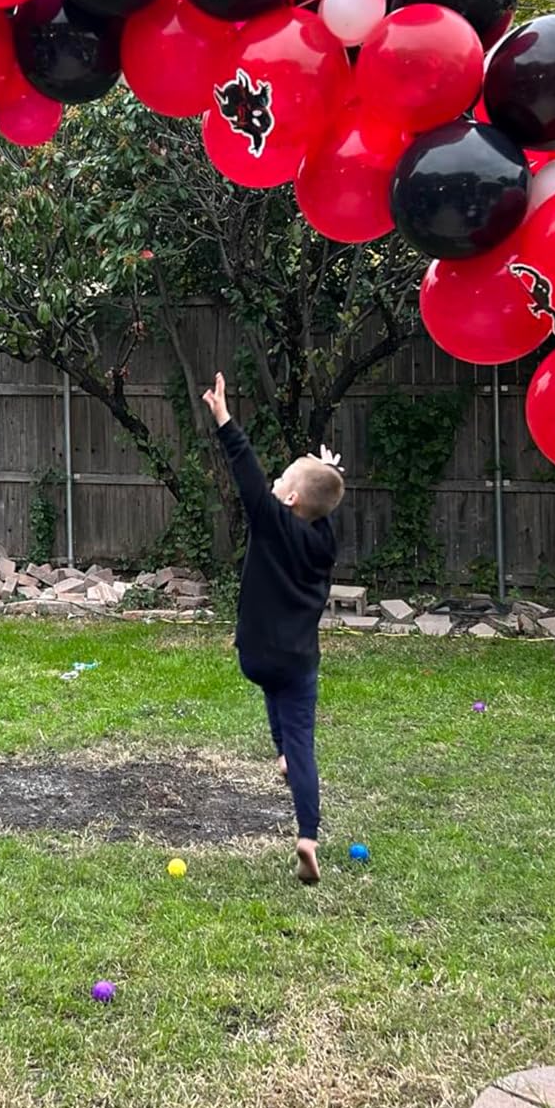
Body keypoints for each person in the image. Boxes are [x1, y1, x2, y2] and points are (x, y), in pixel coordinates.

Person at [203, 372, 343, 885]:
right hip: (299, 658)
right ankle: (307, 835)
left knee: (271, 693)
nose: (274, 482)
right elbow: (321, 503)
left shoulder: (267, 518)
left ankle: (281, 754)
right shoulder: (324, 544)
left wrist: (223, 418)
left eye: (282, 480)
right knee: (301, 738)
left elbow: (245, 471)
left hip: (256, 654)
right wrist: (322, 474)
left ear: (286, 502)